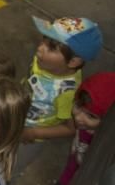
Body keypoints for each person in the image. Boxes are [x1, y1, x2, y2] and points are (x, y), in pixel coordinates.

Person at [20, 16, 102, 156]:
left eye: (51, 48)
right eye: (44, 40)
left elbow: (69, 129)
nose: (40, 48)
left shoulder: (67, 93)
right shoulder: (43, 62)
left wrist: (32, 133)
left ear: (73, 62)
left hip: (29, 135)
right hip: (16, 114)